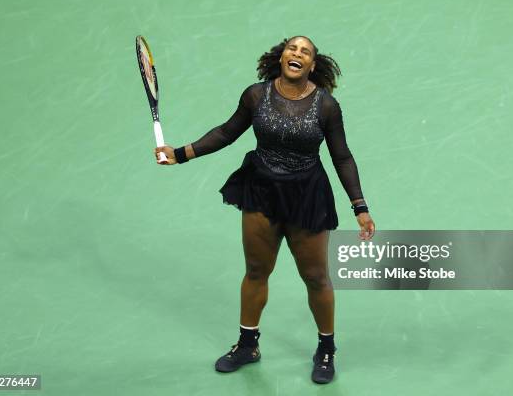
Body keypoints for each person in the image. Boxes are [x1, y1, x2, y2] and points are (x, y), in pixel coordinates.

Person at [155, 35, 375, 384]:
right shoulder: (256, 95)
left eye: (305, 52)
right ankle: (247, 345)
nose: (297, 54)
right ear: (282, 56)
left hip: (306, 195)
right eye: (293, 48)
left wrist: (359, 207)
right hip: (261, 190)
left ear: (312, 66)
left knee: (316, 277)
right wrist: (179, 153)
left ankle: (326, 349)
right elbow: (227, 132)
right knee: (256, 270)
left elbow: (342, 156)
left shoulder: (326, 106)